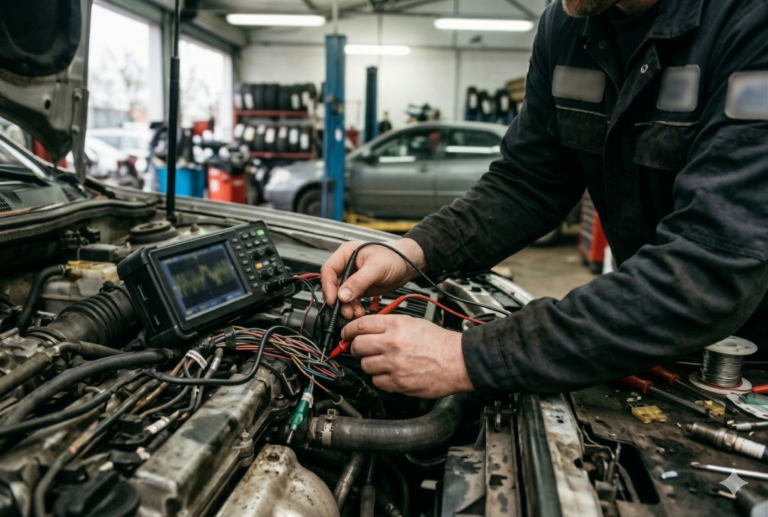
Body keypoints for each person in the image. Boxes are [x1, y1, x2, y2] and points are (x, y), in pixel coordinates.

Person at [320, 0, 768, 399]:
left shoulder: (750, 23)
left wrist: (470, 357)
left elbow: (713, 263)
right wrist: (411, 252)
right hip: (655, 337)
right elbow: (528, 182)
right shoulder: (567, 26)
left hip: (753, 362)